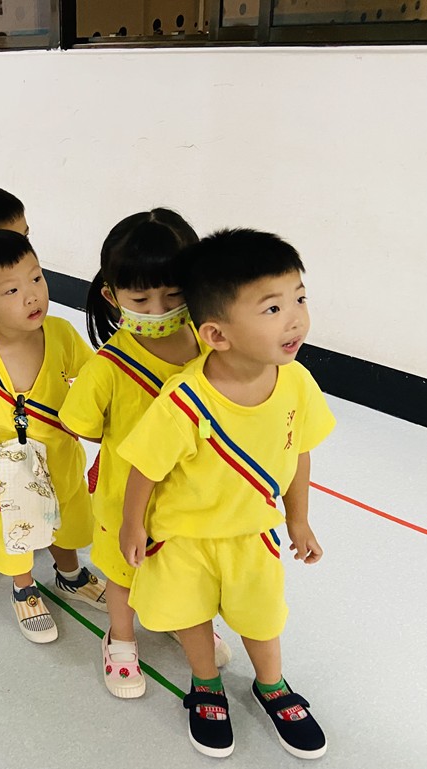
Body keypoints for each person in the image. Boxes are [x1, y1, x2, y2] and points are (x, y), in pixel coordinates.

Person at [119, 229, 334, 759]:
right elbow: (145, 468)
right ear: (216, 334)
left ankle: (273, 686)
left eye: (299, 299)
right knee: (190, 614)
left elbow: (299, 451)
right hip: (184, 539)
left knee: (263, 617)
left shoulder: (297, 382)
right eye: (272, 308)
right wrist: (132, 524)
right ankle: (206, 684)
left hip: (251, 536)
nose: (295, 319)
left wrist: (298, 519)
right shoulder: (185, 399)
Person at [59, 209, 232, 697]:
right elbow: (80, 425)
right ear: (111, 297)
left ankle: (180, 620)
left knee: (185, 571)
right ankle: (120, 638)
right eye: (141, 299)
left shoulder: (211, 345)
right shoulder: (107, 366)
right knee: (122, 574)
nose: (158, 310)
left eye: (174, 295)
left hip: (193, 498)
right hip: (125, 499)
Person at [0, 186, 106, 625]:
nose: (32, 296)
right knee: (18, 530)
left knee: (65, 518)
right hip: (13, 470)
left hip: (63, 458)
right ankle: (23, 588)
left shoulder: (61, 333)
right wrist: (2, 464)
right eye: (12, 289)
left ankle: (69, 575)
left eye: (36, 279)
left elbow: (91, 379)